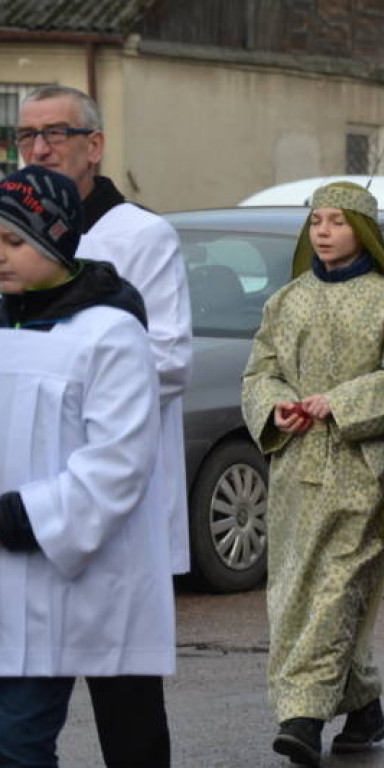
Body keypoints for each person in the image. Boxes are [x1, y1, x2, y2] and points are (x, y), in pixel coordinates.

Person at [17, 83, 190, 768]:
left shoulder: (140, 236)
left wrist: (64, 369)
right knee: (23, 705)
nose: (37, 148)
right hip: (28, 494)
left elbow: (171, 356)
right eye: (25, 135)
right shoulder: (8, 236)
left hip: (113, 492)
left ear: (95, 145)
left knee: (125, 700)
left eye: (54, 133)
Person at [240, 181, 384, 766]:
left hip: (362, 471)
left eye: (337, 221)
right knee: (293, 589)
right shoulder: (285, 301)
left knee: (337, 589)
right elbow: (258, 371)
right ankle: (363, 707)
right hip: (296, 470)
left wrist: (338, 403)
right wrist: (276, 406)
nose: (322, 231)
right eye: (315, 220)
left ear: (362, 230)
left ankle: (303, 717)